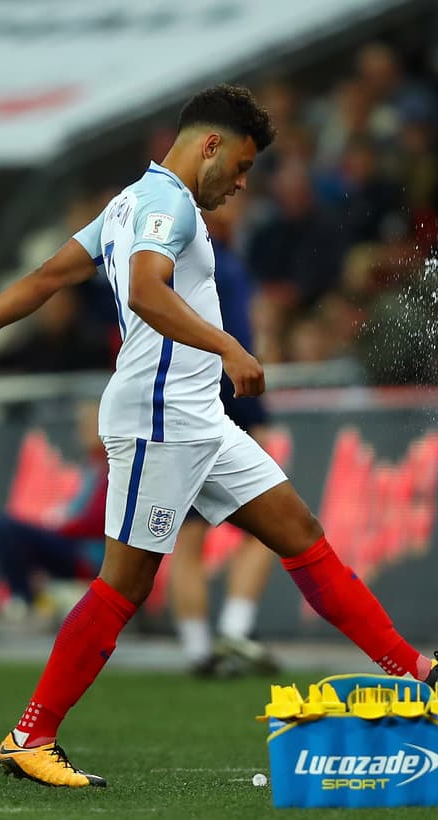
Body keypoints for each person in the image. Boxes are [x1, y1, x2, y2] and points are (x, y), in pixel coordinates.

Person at [0, 84, 438, 789]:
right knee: (123, 586)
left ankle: (422, 675)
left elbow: (47, 277)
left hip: (199, 418)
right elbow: (145, 290)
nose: (243, 183)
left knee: (299, 532)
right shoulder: (167, 205)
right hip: (159, 419)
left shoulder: (129, 202)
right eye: (243, 166)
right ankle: (30, 735)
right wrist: (228, 347)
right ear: (211, 145)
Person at [169, 196, 279, 677]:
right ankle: (235, 629)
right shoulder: (222, 268)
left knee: (189, 537)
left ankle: (198, 650)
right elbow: (234, 344)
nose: (237, 202)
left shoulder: (165, 266)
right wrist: (256, 413)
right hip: (221, 411)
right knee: (272, 526)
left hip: (174, 413)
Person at [0, 401, 107, 626]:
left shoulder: (112, 467)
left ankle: (25, 600)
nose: (83, 432)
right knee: (2, 528)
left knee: (3, 528)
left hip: (88, 554)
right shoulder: (91, 466)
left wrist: (61, 525)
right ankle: (24, 599)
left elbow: (98, 521)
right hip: (73, 543)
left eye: (90, 425)